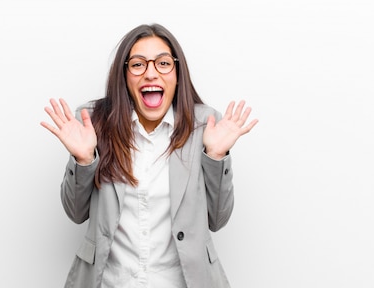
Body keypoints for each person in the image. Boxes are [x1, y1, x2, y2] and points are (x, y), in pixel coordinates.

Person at [40, 23, 258, 288]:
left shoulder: (206, 125)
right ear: (125, 75)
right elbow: (75, 213)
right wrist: (84, 160)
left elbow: (218, 219)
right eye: (138, 64)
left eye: (163, 63)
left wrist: (215, 155)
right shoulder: (93, 122)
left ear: (177, 74)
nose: (151, 74)